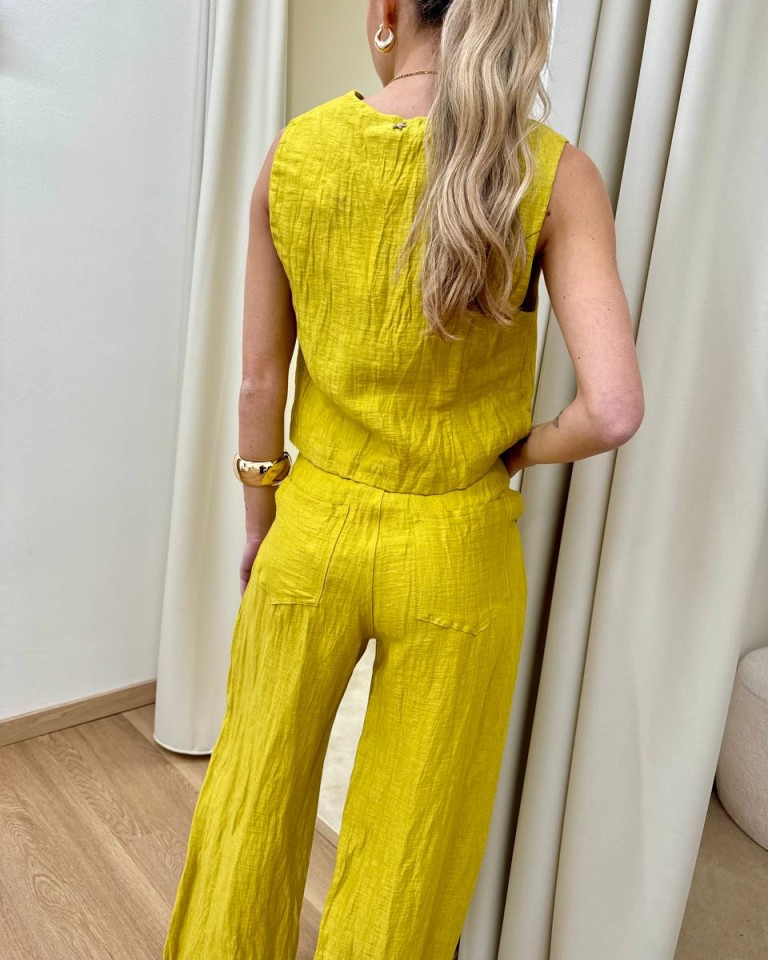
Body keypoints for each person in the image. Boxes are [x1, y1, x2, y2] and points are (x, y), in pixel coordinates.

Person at [163, 0, 644, 957]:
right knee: (408, 847)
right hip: (457, 553)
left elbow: (259, 382)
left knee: (253, 797)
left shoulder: (296, 153)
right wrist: (523, 449)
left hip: (313, 531)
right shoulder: (552, 173)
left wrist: (261, 519)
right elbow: (613, 409)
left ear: (388, 14)